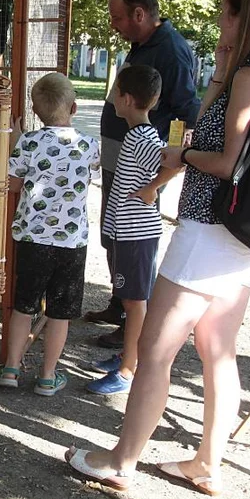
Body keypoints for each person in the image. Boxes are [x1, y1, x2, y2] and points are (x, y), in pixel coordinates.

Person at [65, 0, 250, 495]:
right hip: (244, 240)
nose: (220, 18)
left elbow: (224, 160)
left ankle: (121, 460)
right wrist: (221, 67)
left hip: (207, 231)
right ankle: (207, 463)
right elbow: (217, 120)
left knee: (154, 351)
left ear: (247, 14)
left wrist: (182, 155)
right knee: (218, 349)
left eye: (227, 10)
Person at [85, 0, 200, 349]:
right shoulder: (143, 45)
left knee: (131, 240)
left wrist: (161, 174)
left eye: (117, 17)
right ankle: (120, 304)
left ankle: (132, 318)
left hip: (140, 165)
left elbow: (186, 112)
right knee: (113, 232)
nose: (113, 24)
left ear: (139, 14)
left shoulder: (172, 51)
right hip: (120, 155)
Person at [0, 73, 100, 396]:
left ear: (36, 112)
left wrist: (17, 143)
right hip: (70, 241)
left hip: (32, 239)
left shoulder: (29, 142)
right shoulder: (88, 145)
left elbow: (12, 184)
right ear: (75, 107)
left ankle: (11, 367)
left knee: (24, 305)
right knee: (59, 312)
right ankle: (48, 376)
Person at [87, 65, 174, 395]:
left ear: (125, 98)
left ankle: (127, 370)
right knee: (130, 298)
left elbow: (173, 161)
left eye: (114, 94)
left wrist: (154, 187)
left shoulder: (142, 137)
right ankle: (129, 354)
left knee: (134, 302)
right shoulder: (138, 134)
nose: (112, 101)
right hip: (129, 233)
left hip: (137, 234)